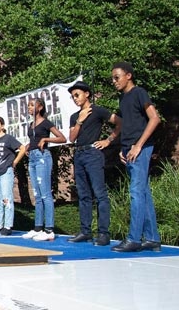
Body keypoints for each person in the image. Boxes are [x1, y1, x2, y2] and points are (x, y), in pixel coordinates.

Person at [110, 61, 162, 253]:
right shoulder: (123, 99)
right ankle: (152, 238)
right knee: (143, 192)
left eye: (117, 77)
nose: (114, 81)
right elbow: (128, 126)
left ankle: (134, 239)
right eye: (113, 78)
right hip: (129, 150)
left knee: (136, 192)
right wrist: (122, 149)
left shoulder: (139, 92)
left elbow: (154, 118)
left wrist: (138, 146)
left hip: (140, 148)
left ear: (128, 76)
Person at [66, 81, 121, 246]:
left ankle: (103, 233)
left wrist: (108, 140)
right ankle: (85, 231)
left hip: (93, 153)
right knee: (83, 194)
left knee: (100, 193)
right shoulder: (74, 117)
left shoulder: (98, 111)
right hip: (79, 153)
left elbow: (120, 122)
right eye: (73, 96)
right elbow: (72, 138)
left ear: (87, 94)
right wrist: (80, 121)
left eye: (77, 95)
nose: (75, 98)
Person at [22, 98, 66, 241]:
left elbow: (62, 138)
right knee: (37, 194)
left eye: (32, 105)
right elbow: (34, 139)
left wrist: (46, 140)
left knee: (45, 194)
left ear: (40, 108)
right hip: (33, 158)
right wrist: (29, 145)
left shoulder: (46, 123)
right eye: (28, 105)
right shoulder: (31, 124)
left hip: (43, 157)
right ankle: (38, 228)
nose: (29, 107)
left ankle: (49, 230)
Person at [0, 116, 26, 236]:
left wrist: (14, 162)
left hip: (6, 172)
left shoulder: (8, 139)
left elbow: (22, 148)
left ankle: (7, 226)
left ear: (2, 126)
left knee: (6, 199)